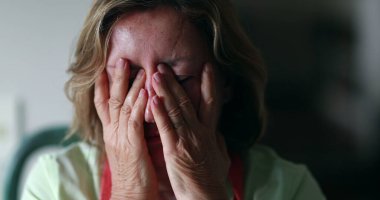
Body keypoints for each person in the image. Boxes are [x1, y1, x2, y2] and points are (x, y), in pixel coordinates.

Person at [22, 0, 325, 199]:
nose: (154, 113)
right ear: (98, 89)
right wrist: (128, 190)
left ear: (226, 82)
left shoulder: (290, 188)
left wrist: (206, 192)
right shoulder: (55, 183)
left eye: (179, 81)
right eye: (129, 80)